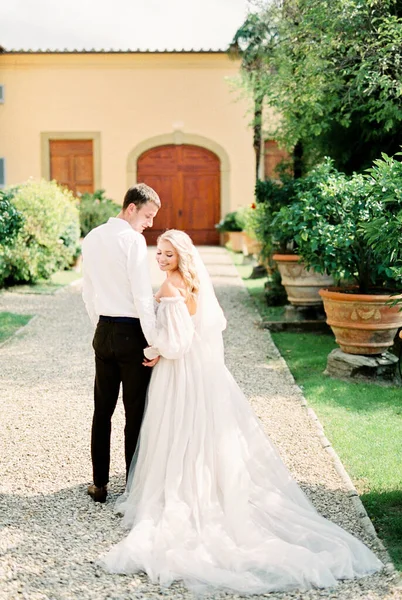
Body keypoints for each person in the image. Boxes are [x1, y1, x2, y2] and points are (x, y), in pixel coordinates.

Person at [100, 229, 382, 593]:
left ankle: (183, 487)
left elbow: (177, 343)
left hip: (178, 372)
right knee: (198, 429)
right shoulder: (191, 282)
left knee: (178, 428)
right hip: (202, 371)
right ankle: (207, 481)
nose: (161, 259)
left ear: (181, 257)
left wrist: (154, 352)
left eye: (168, 255)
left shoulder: (171, 287)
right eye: (160, 253)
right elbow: (200, 326)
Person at [82, 183, 161, 504]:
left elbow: (88, 291)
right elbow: (143, 297)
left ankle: (99, 484)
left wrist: (100, 327)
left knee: (102, 411)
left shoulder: (92, 237)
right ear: (131, 208)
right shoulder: (133, 241)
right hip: (132, 334)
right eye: (148, 215)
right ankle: (132, 487)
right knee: (135, 412)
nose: (150, 223)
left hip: (103, 330)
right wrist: (154, 343)